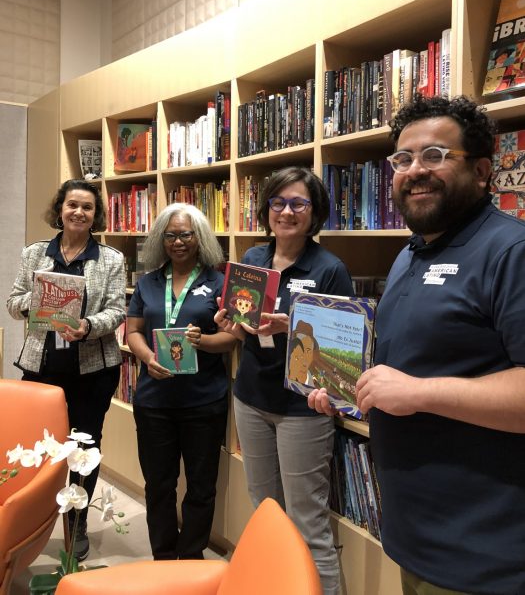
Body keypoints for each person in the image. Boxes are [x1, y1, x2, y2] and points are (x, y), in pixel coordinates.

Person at [309, 94, 525, 595]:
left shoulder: (511, 252)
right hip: (415, 532)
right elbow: (403, 366)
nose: (414, 171)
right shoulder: (412, 253)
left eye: (435, 156)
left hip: (485, 553)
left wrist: (419, 393)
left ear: (483, 170)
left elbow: (418, 385)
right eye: (403, 160)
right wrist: (343, 387)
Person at [215, 166, 354, 595]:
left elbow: (339, 356)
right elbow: (240, 331)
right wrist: (229, 322)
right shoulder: (252, 260)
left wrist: (290, 328)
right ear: (266, 208)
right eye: (278, 202)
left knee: (307, 521)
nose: (287, 211)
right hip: (251, 397)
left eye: (298, 203)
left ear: (315, 213)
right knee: (266, 513)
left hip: (301, 409)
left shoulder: (329, 269)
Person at [7, 178, 126, 562]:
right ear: (60, 209)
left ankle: (77, 523)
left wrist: (88, 326)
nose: (79, 212)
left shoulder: (111, 259)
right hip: (42, 367)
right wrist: (36, 302)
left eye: (87, 207)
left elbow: (117, 311)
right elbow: (12, 301)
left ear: (96, 215)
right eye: (72, 205)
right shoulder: (34, 253)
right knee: (40, 448)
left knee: (84, 449)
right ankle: (32, 519)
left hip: (92, 371)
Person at [126, 203, 236, 561]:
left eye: (185, 234)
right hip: (154, 402)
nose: (178, 242)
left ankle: (190, 558)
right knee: (159, 486)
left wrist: (201, 341)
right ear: (161, 239)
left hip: (203, 401)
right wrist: (147, 357)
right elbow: (133, 331)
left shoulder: (219, 283)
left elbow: (232, 338)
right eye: (170, 235)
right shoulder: (147, 282)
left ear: (199, 237)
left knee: (202, 487)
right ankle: (163, 555)